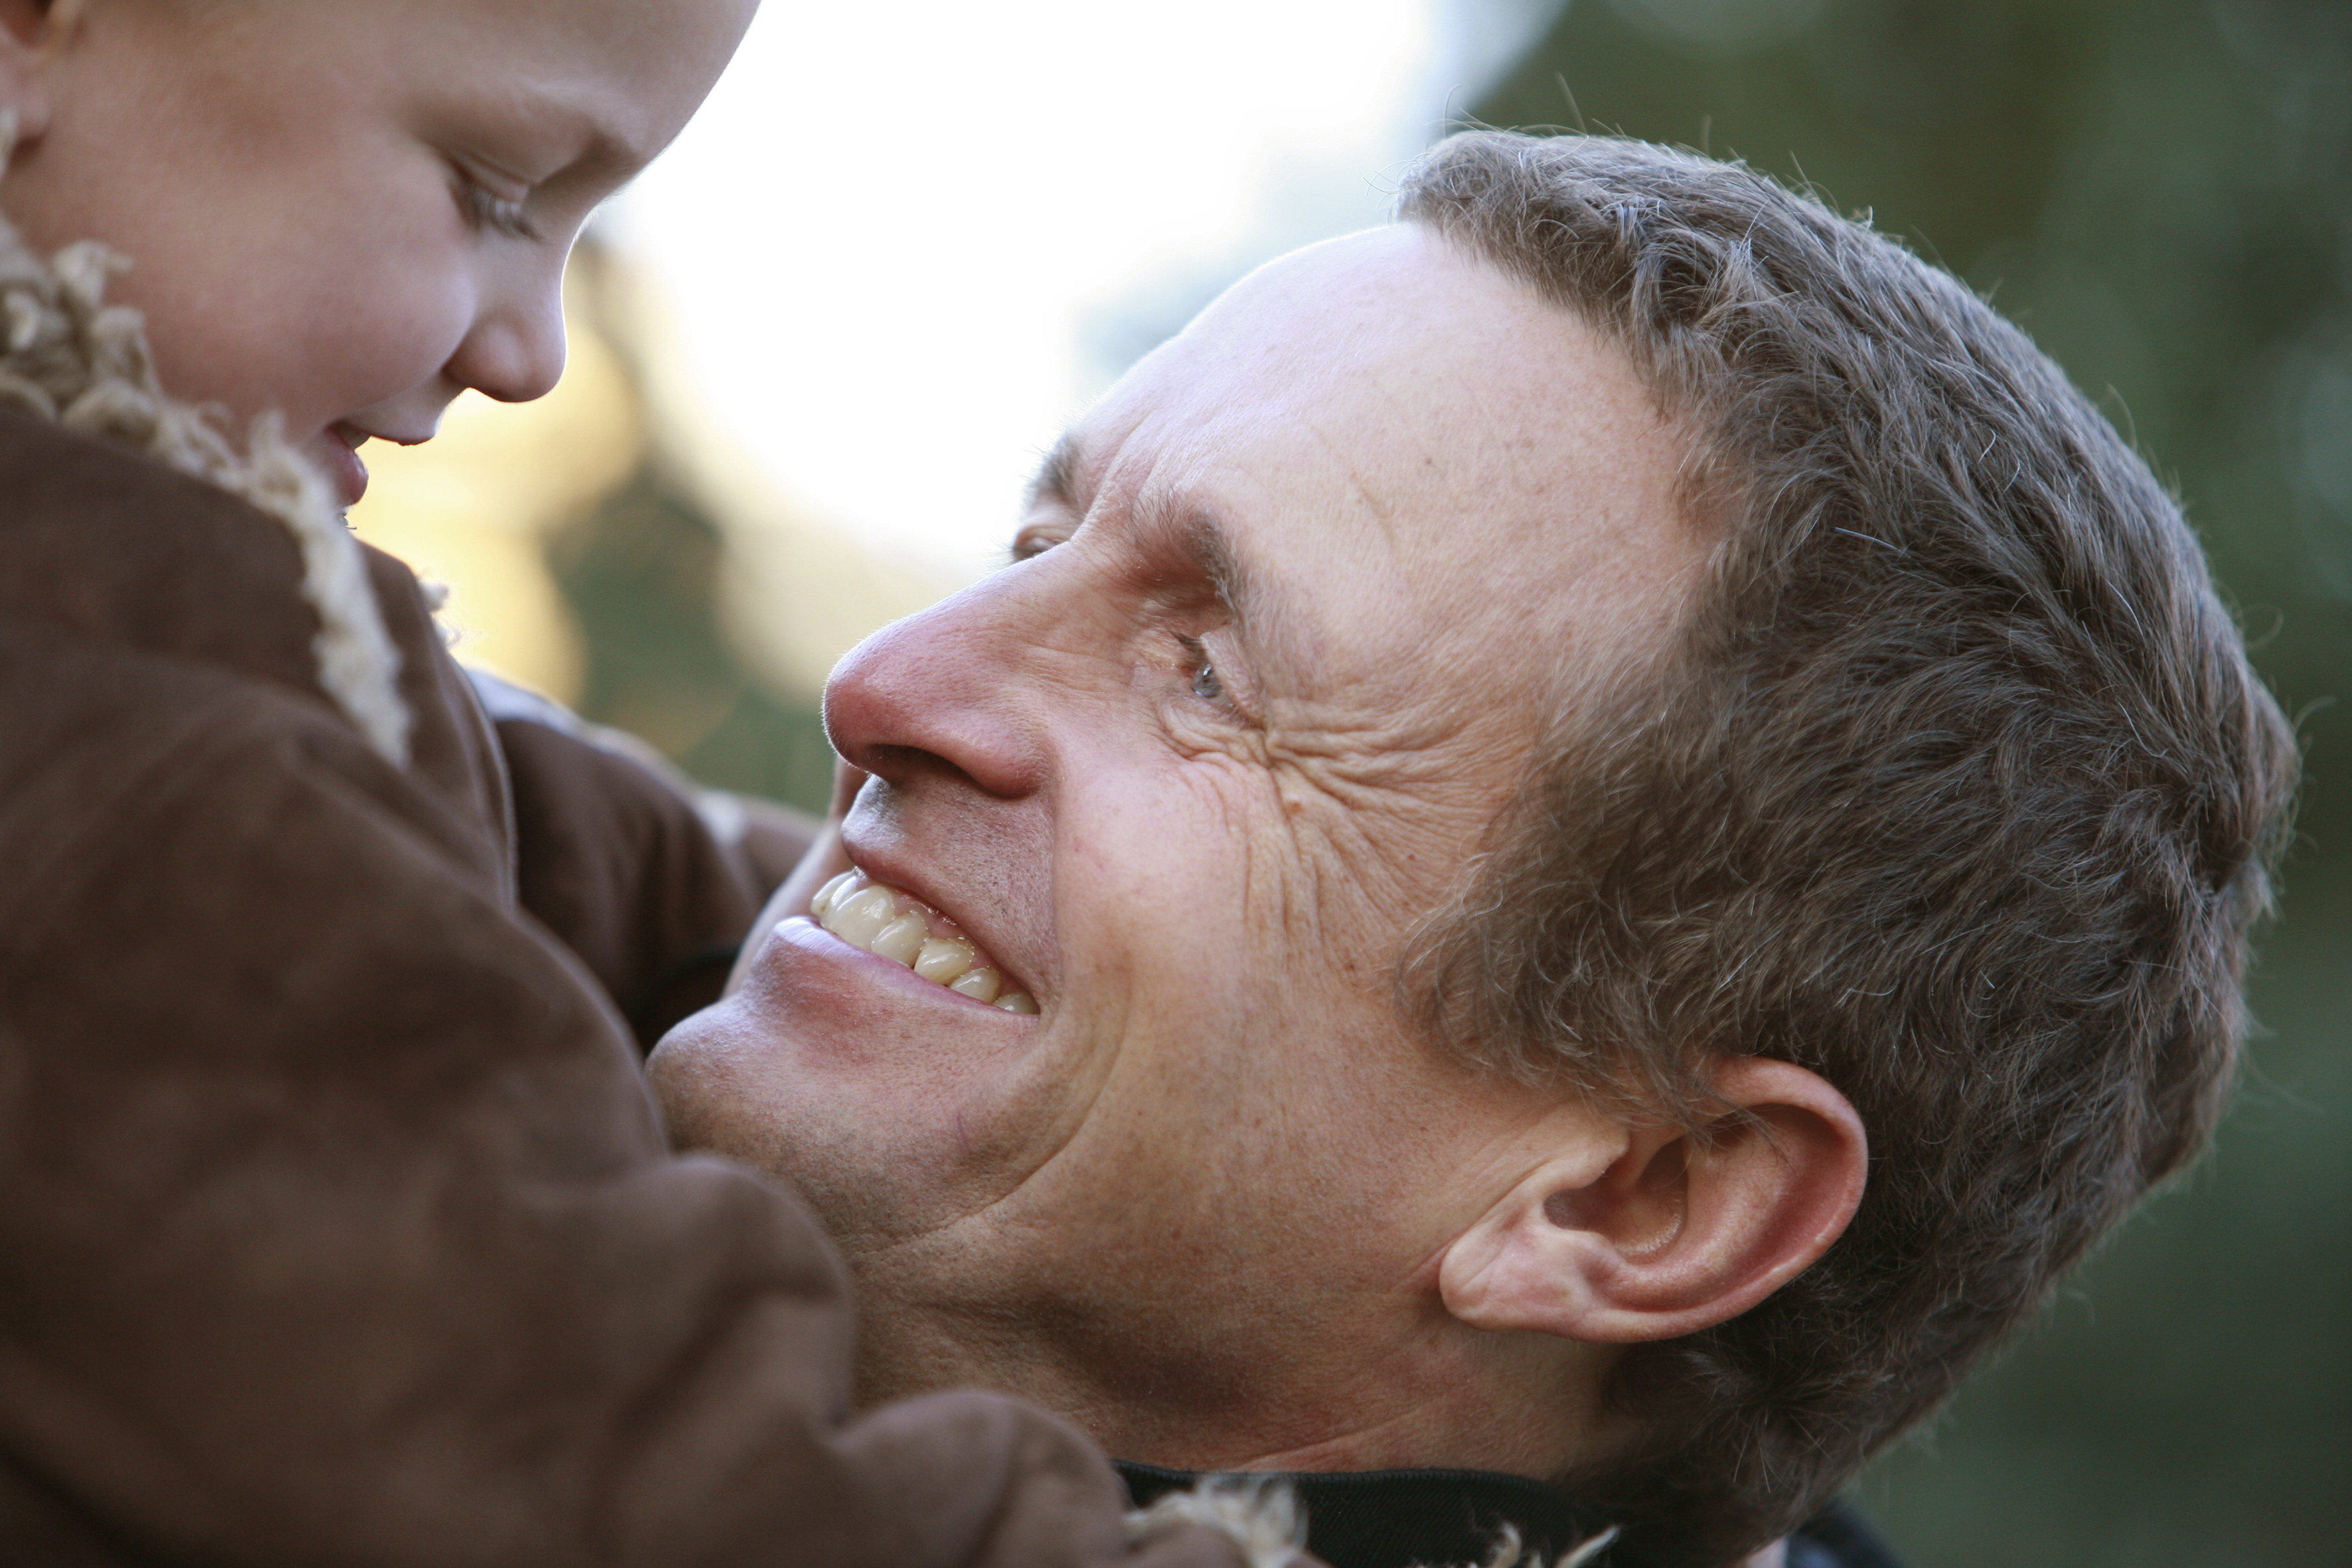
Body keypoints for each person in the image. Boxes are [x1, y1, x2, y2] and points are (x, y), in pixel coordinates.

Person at [651, 130, 2298, 1568]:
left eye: (1206, 675)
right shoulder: (443, 997)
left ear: (1639, 1196)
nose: (883, 685)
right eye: (1034, 542)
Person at [0, 3, 1281, 1563]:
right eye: (490, 187)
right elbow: (574, 1458)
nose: (527, 349)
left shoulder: (162, 649)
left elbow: (566, 839)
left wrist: (894, 923)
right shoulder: (123, 754)